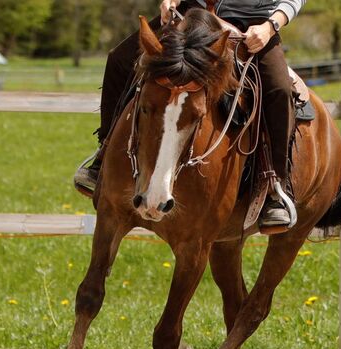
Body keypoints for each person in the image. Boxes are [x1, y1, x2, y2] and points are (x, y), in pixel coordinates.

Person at [75, 0, 307, 227]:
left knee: (279, 89)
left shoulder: (263, 27)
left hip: (252, 26)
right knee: (119, 60)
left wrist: (270, 26)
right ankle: (103, 155)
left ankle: (276, 185)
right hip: (193, 12)